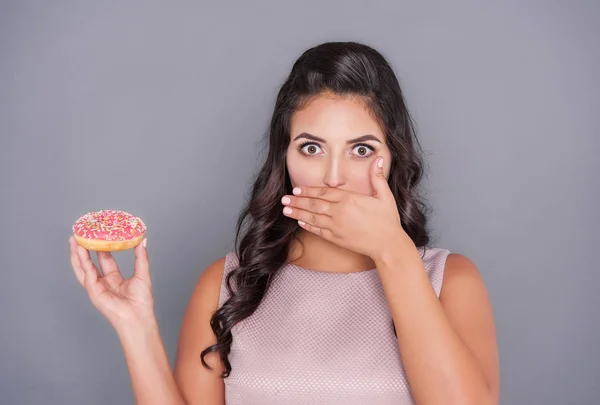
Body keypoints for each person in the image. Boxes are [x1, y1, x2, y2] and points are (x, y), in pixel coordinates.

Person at [69, 41, 499, 405]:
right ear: (285, 157)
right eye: (311, 148)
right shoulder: (227, 285)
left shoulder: (450, 281)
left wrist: (393, 252)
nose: (333, 176)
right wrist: (136, 328)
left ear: (394, 157)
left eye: (361, 150)